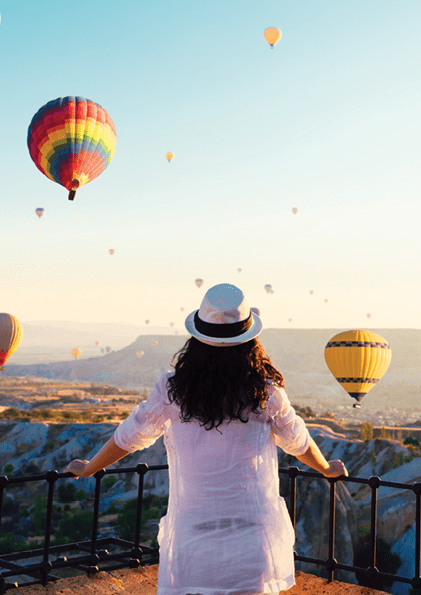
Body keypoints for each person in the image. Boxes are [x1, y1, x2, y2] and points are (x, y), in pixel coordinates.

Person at [65, 283, 348, 594]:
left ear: (197, 339)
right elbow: (299, 441)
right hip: (252, 535)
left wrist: (90, 467)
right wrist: (325, 469)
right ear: (249, 340)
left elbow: (129, 436)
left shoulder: (171, 390)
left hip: (193, 537)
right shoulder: (265, 392)